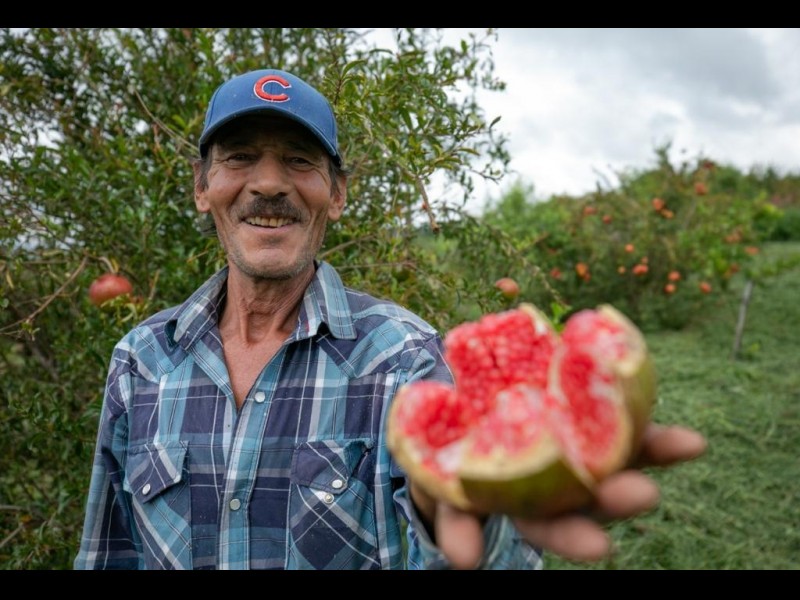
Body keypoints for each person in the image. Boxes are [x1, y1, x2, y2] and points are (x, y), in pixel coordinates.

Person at [73, 68, 706, 570]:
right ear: (201, 186)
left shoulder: (404, 358)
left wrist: (462, 511)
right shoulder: (140, 360)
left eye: (299, 161)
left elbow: (476, 543)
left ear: (337, 194)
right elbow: (108, 552)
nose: (268, 183)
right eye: (239, 158)